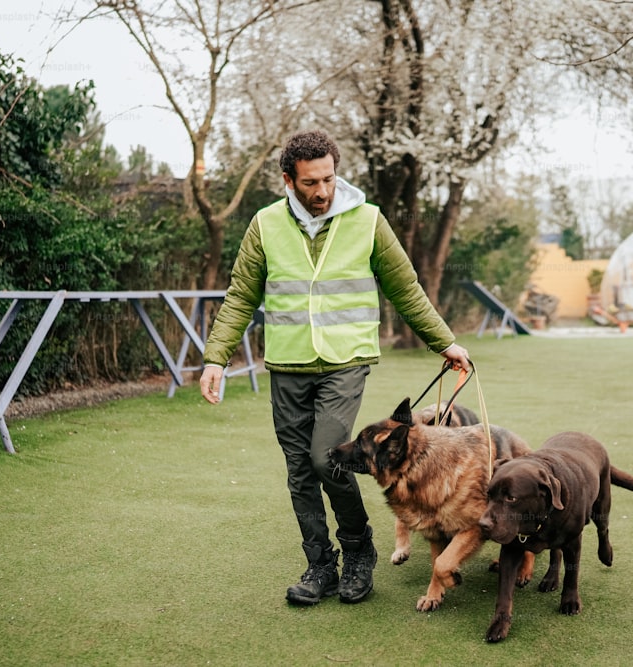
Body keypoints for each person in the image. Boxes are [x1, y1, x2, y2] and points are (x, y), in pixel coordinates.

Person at [199, 129, 470, 606]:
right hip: (288, 363)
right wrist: (216, 358)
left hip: (346, 360)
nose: (321, 191)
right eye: (309, 183)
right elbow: (241, 295)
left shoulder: (367, 220)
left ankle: (359, 550)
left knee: (327, 455)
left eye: (328, 179)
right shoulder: (264, 225)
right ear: (288, 180)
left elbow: (405, 288)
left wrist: (443, 342)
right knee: (300, 469)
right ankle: (320, 564)